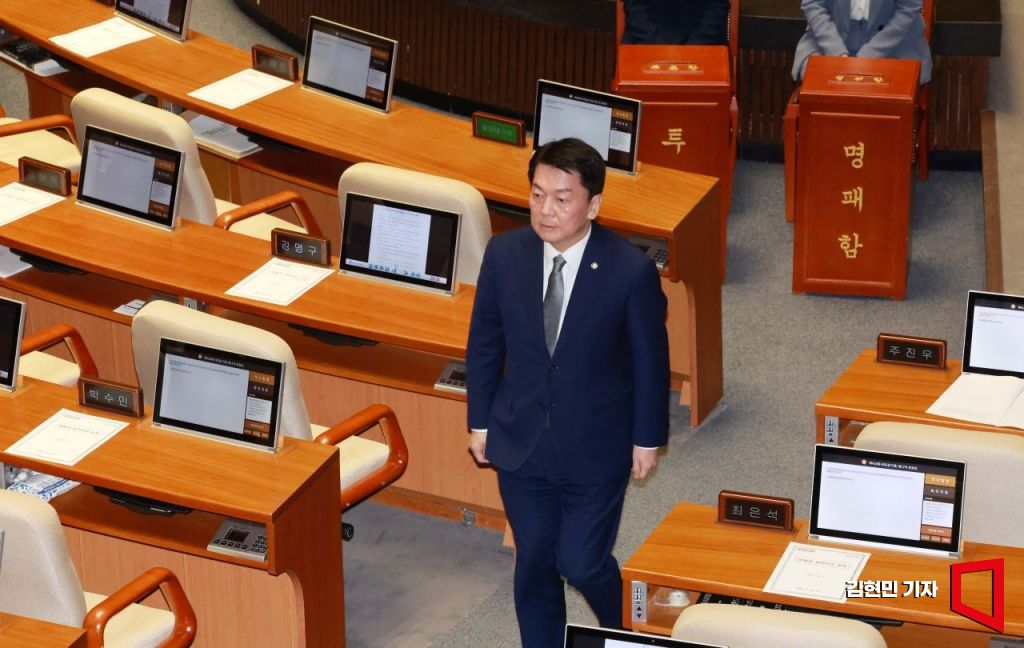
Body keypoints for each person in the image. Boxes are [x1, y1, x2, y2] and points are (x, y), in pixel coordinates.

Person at [466, 137, 669, 647]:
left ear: (593, 205)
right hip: (521, 439)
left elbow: (650, 362)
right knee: (535, 561)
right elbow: (485, 343)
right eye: (537, 195)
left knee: (580, 560)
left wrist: (647, 438)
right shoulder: (505, 254)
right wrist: (481, 422)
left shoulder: (630, 271)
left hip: (596, 444)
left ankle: (626, 630)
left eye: (561, 198)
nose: (545, 210)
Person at [792, 0, 932, 84]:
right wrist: (836, 52)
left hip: (894, 41)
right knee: (820, 85)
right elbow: (813, 4)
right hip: (829, 36)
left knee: (888, 94)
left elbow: (908, 9)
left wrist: (870, 54)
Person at [621, 0, 731, 45]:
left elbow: (717, 7)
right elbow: (634, 7)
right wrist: (656, 46)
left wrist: (696, 46)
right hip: (643, 38)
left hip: (705, 41)